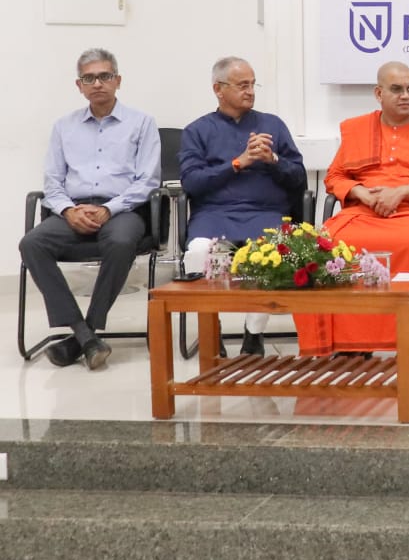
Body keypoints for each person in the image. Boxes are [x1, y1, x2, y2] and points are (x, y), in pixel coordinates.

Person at [295, 61, 409, 356]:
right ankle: (345, 342)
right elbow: (335, 177)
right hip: (361, 212)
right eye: (397, 89)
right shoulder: (359, 129)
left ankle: (403, 337)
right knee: (321, 246)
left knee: (407, 244)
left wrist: (401, 192)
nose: (406, 96)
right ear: (378, 93)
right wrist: (360, 192)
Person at [18, 48, 161, 370]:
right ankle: (85, 335)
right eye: (89, 78)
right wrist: (69, 211)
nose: (97, 83)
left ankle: (86, 332)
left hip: (123, 210)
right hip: (74, 210)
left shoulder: (141, 123)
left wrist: (109, 209)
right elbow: (52, 182)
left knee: (121, 241)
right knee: (32, 243)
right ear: (79, 85)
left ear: (118, 81)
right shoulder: (63, 126)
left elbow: (148, 181)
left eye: (105, 76)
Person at [179, 56, 308, 355]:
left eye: (252, 85)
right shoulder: (197, 130)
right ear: (218, 89)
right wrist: (238, 163)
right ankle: (210, 329)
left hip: (265, 213)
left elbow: (298, 177)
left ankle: (254, 334)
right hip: (214, 214)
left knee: (274, 252)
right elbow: (192, 182)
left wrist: (272, 160)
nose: (250, 92)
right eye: (242, 85)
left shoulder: (272, 125)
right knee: (198, 251)